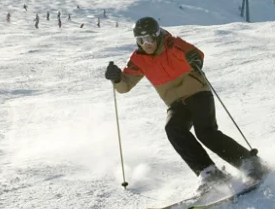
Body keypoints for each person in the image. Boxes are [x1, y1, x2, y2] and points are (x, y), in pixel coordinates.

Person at [105, 17, 265, 194]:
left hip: (198, 93)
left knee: (205, 132)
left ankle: (248, 162)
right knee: (173, 129)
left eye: (149, 38)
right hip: (175, 103)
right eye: (141, 40)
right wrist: (117, 78)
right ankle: (209, 172)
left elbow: (196, 54)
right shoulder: (138, 59)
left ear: (157, 35)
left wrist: (194, 59)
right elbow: (124, 86)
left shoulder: (173, 44)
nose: (146, 44)